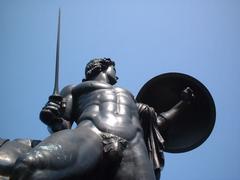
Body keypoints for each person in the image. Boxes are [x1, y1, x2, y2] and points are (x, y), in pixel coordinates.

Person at [9, 58, 193, 180]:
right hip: (91, 135)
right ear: (101, 66)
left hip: (134, 148)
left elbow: (158, 124)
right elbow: (63, 125)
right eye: (115, 68)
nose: (117, 74)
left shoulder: (130, 97)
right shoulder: (75, 88)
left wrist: (183, 104)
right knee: (30, 167)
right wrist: (53, 118)